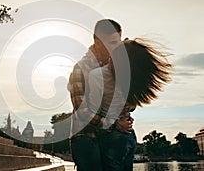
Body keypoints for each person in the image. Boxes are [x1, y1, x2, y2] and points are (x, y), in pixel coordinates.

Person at [77, 38, 173, 170]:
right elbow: (130, 106)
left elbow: (94, 111)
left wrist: (115, 123)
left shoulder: (97, 76)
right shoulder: (128, 80)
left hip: (111, 137)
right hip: (128, 135)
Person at [68, 19, 133, 171]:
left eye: (119, 42)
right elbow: (82, 112)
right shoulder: (81, 69)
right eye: (112, 43)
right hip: (86, 137)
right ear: (97, 42)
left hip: (110, 136)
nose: (117, 47)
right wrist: (116, 124)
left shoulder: (116, 66)